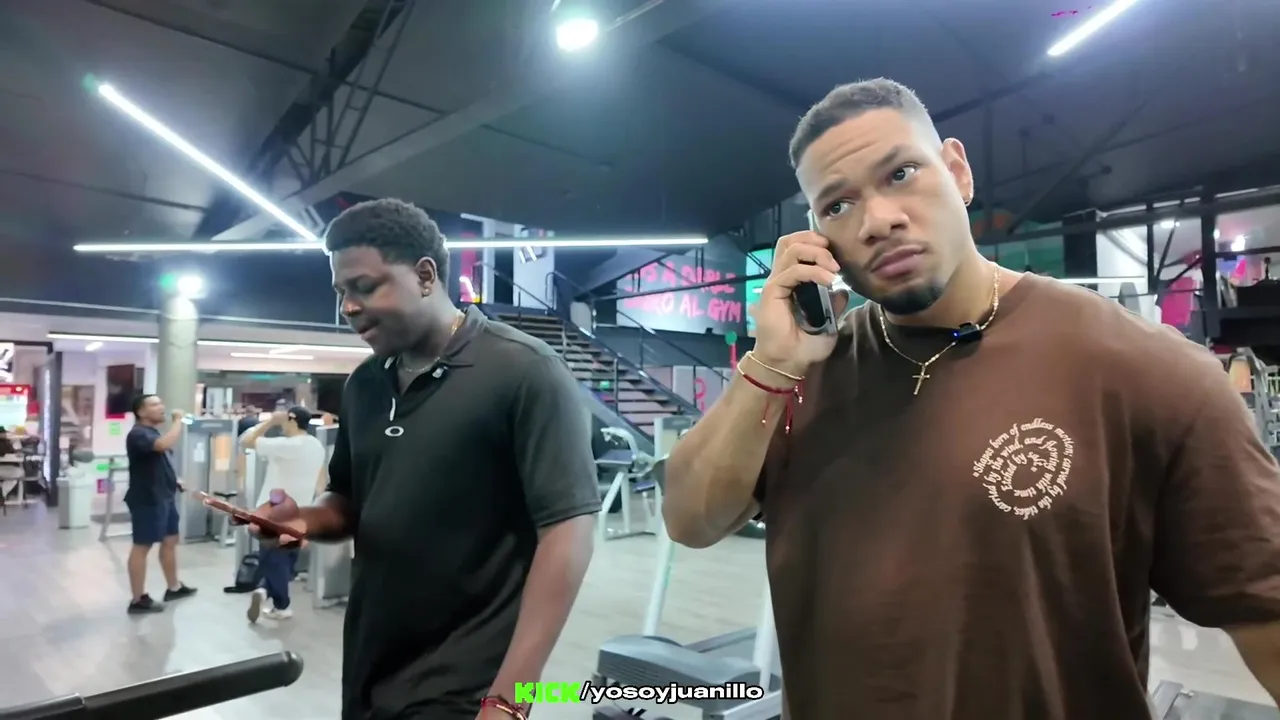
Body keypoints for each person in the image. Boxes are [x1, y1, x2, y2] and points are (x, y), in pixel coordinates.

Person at [661, 78, 1280, 720]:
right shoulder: (800, 373)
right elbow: (691, 520)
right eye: (838, 206)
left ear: (957, 171)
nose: (878, 221)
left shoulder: (1143, 369)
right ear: (817, 238)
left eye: (901, 173)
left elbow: (1265, 611)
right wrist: (771, 364)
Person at [252, 198, 599, 720]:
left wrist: (510, 699)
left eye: (365, 287)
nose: (348, 307)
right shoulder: (365, 384)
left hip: (465, 682)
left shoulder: (524, 370)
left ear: (424, 275)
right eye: (341, 292)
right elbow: (347, 498)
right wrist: (300, 520)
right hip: (371, 663)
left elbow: (568, 534)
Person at [239, 406, 327, 623]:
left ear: (292, 421)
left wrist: (270, 422)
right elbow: (321, 477)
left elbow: (245, 441)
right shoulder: (316, 446)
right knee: (286, 559)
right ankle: (264, 591)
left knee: (273, 559)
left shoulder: (285, 445)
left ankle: (282, 605)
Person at [124, 394, 197, 614]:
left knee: (170, 540)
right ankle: (138, 599)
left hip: (164, 496)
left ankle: (173, 587)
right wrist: (178, 421)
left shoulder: (152, 432)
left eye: (160, 403)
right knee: (142, 546)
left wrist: (174, 481)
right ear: (141, 412)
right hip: (147, 499)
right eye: (154, 404)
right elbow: (163, 445)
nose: (161, 407)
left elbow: (156, 462)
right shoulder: (138, 434)